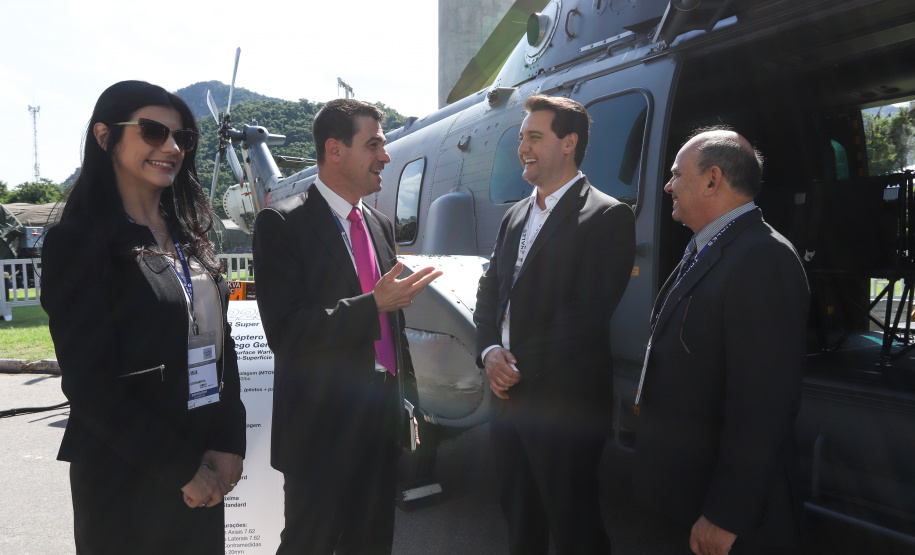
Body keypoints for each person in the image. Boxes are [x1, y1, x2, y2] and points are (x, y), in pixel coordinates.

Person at [41, 80, 247, 554]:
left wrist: (227, 441)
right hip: (126, 476)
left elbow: (222, 347)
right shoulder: (78, 243)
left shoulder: (191, 239)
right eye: (153, 132)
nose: (171, 147)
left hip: (206, 465)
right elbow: (90, 383)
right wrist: (182, 471)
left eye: (181, 138)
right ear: (104, 137)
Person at [252, 98, 441, 555]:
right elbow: (286, 331)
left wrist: (408, 403)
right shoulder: (282, 223)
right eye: (374, 143)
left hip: (379, 423)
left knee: (372, 543)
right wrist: (372, 303)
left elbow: (392, 328)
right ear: (334, 150)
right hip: (321, 431)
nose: (386, 155)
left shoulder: (378, 224)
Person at [632, 127, 809, 555]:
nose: (667, 185)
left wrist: (727, 512)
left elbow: (763, 404)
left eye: (676, 174)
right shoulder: (711, 247)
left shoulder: (763, 257)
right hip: (683, 489)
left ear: (712, 180)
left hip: (716, 510)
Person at [474, 95, 636, 554]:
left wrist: (514, 365)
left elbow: (586, 314)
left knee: (575, 529)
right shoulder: (514, 216)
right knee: (519, 522)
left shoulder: (607, 216)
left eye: (534, 137)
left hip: (566, 406)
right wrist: (488, 353)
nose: (522, 147)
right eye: (521, 137)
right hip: (508, 401)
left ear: (569, 143)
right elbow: (490, 293)